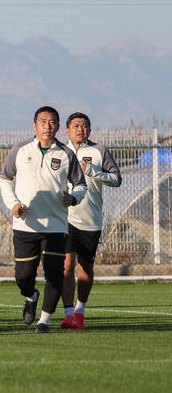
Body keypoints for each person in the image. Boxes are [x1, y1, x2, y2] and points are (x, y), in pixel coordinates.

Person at [0, 106, 87, 333]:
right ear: (34, 125)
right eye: (43, 121)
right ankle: (31, 296)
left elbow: (80, 185)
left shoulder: (66, 154)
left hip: (56, 226)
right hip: (25, 224)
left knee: (54, 273)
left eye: (52, 122)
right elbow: (5, 178)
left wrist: (74, 197)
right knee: (23, 276)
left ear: (58, 126)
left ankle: (43, 322)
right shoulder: (20, 149)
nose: (47, 126)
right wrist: (13, 204)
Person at [61, 112, 122, 329]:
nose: (80, 129)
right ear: (67, 129)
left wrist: (95, 171)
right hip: (64, 218)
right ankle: (68, 314)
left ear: (89, 130)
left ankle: (80, 310)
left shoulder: (98, 151)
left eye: (85, 125)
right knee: (66, 266)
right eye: (76, 125)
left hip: (90, 219)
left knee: (85, 268)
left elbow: (116, 180)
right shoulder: (59, 151)